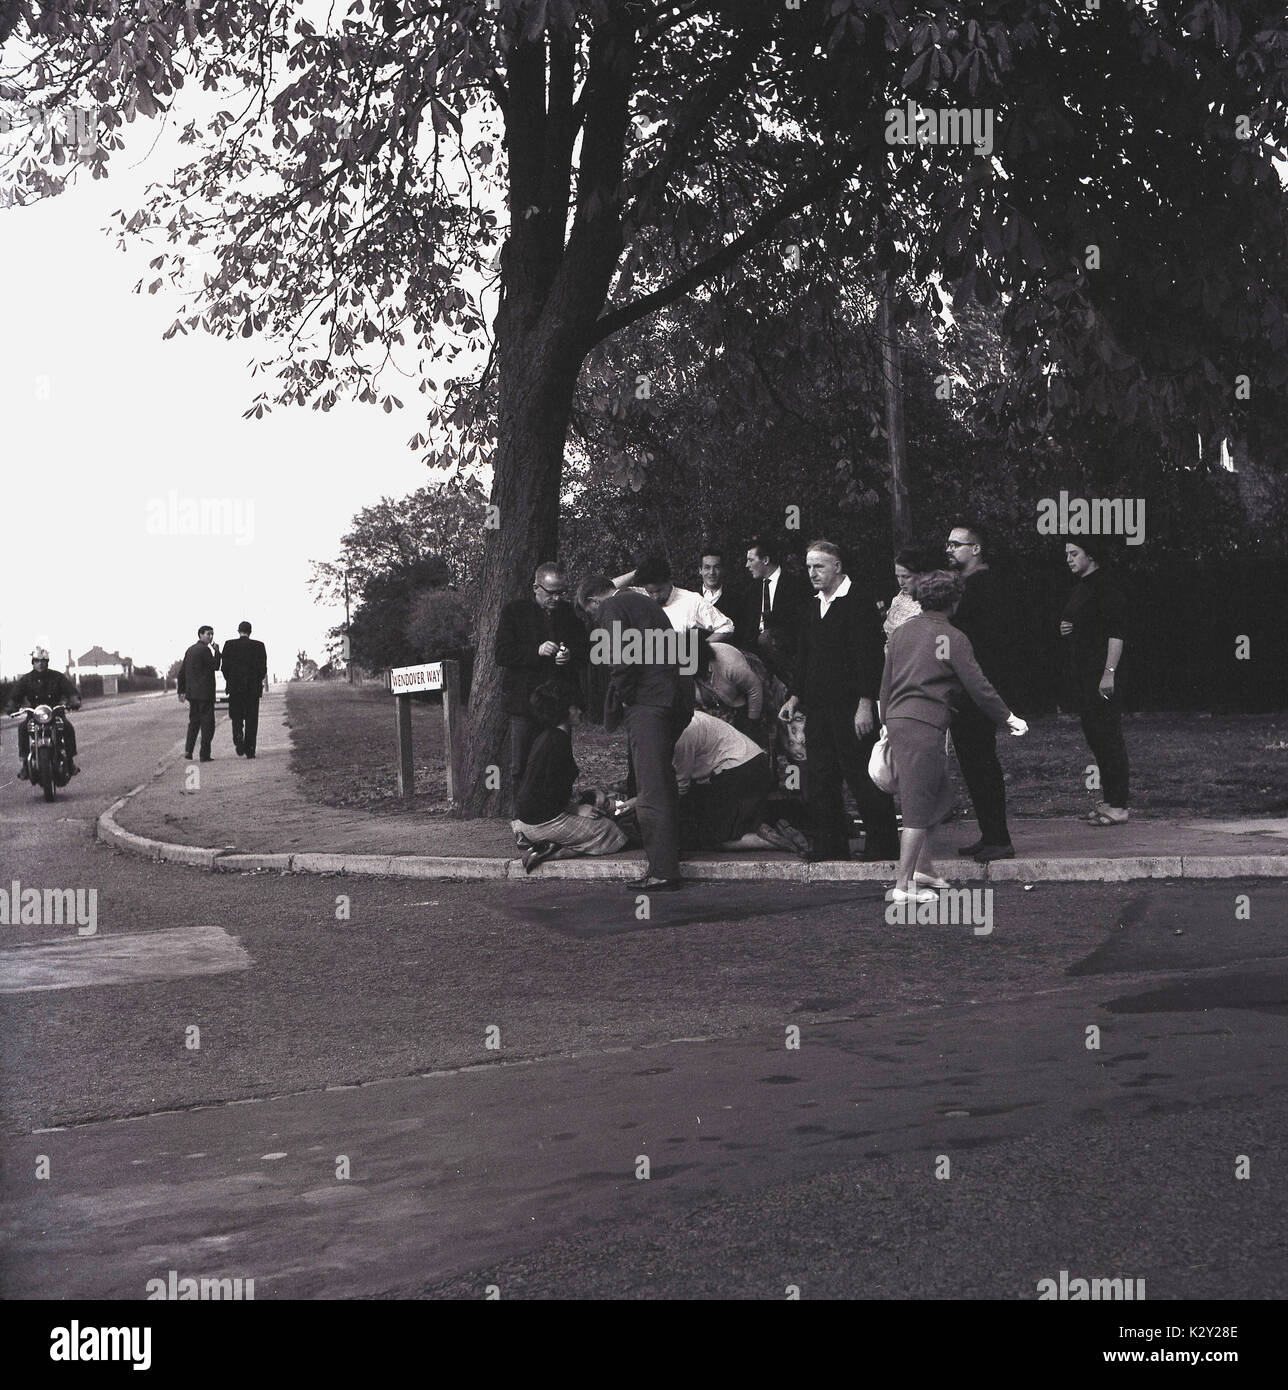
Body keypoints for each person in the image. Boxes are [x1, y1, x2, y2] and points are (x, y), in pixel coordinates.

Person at [881, 570, 1028, 902]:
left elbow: (886, 684)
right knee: (918, 805)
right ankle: (903, 887)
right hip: (926, 723)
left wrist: (886, 722)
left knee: (940, 797)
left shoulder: (901, 633)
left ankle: (924, 869)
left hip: (899, 718)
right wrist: (1008, 717)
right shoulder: (953, 637)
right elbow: (978, 686)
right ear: (954, 601)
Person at [778, 540, 899, 862]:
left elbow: (869, 658)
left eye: (819, 566)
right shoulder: (812, 606)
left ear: (837, 567)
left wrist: (865, 704)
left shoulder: (858, 603)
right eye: (808, 567)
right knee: (820, 777)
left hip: (850, 706)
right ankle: (830, 845)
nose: (812, 573)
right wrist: (794, 695)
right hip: (817, 706)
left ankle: (883, 844)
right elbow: (804, 657)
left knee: (861, 775)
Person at [577, 573, 692, 891]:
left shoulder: (613, 608)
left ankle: (663, 870)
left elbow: (619, 659)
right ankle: (670, 855)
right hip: (672, 698)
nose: (594, 619)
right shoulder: (643, 601)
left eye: (590, 614)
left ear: (593, 601)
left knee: (650, 786)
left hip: (648, 703)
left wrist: (623, 696)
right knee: (663, 781)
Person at [945, 521, 1018, 862]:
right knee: (973, 762)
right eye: (948, 544)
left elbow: (986, 643)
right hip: (967, 688)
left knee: (982, 760)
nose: (949, 549)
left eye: (956, 544)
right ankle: (990, 833)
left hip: (976, 688)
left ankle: (998, 837)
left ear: (975, 548)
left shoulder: (984, 586)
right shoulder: (965, 586)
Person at [495, 562, 590, 811]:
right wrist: (536, 651)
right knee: (521, 766)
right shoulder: (513, 612)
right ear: (536, 588)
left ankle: (560, 813)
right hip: (524, 702)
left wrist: (570, 655)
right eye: (551, 592)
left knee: (561, 763)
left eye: (561, 592)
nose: (557, 598)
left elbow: (586, 652)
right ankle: (522, 821)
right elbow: (502, 654)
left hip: (560, 704)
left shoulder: (569, 614)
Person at [511, 681, 629, 872]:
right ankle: (553, 850)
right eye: (574, 707)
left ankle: (543, 843)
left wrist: (588, 796)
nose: (580, 711)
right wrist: (576, 809)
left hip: (529, 819)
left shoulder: (548, 736)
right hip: (543, 821)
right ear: (563, 711)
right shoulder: (557, 742)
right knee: (612, 832)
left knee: (598, 817)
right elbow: (549, 790)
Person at [1061, 538, 1131, 824]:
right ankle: (1110, 800)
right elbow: (1087, 623)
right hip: (1085, 673)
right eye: (1067, 554)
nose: (1068, 559)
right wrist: (1068, 627)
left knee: (1109, 737)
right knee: (1096, 738)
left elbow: (1116, 632)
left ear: (1091, 555)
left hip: (1101, 674)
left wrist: (1109, 673)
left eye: (1074, 554)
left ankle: (1120, 806)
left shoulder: (1105, 585)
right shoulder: (1083, 585)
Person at [668, 710, 781, 850]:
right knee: (717, 828)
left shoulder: (682, 734)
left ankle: (763, 840)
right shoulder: (690, 718)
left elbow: (681, 787)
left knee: (712, 838)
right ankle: (763, 832)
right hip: (750, 766)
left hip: (739, 770)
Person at [737, 537, 813, 682]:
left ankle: (796, 685)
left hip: (785, 645)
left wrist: (771, 620)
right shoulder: (752, 590)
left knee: (765, 638)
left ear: (765, 560)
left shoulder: (795, 584)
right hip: (757, 647)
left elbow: (799, 621)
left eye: (751, 560)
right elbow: (748, 626)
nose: (747, 565)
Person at [614, 554, 735, 641]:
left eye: (659, 590)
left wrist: (701, 649)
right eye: (650, 592)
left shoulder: (691, 600)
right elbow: (608, 589)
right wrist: (638, 571)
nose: (655, 597)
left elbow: (726, 626)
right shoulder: (640, 596)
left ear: (669, 582)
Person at [5, 647, 81, 778]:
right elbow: (15, 694)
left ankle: (70, 762)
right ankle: (24, 764)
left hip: (55, 713)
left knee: (68, 728)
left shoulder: (57, 677)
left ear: (47, 662)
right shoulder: (26, 679)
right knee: (23, 728)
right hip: (34, 714)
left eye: (43, 661)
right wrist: (11, 706)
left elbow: (70, 690)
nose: (40, 664)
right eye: (37, 661)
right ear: (33, 662)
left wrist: (74, 701)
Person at [692, 630, 764, 735]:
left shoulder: (731, 665)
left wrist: (752, 722)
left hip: (742, 697)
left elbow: (754, 690)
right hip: (717, 701)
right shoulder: (684, 668)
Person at [220, 620, 268, 758]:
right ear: (250, 631)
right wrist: (256, 681)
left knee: (236, 716)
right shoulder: (259, 646)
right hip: (252, 689)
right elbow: (262, 669)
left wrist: (231, 680)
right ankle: (250, 749)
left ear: (238, 631)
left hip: (235, 689)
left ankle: (238, 737)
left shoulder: (229, 645)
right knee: (252, 719)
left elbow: (224, 668)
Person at [178, 625, 221, 761]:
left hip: (192, 694)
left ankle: (188, 751)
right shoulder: (205, 650)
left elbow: (182, 672)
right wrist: (217, 652)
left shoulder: (190, 650)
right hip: (205, 694)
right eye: (208, 634)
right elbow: (215, 666)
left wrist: (181, 690)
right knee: (208, 724)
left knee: (194, 723)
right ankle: (204, 754)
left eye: (212, 634)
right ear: (200, 635)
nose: (211, 637)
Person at [884, 544, 939, 646]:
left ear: (921, 575)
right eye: (898, 576)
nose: (901, 582)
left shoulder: (929, 604)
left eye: (906, 577)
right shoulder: (898, 599)